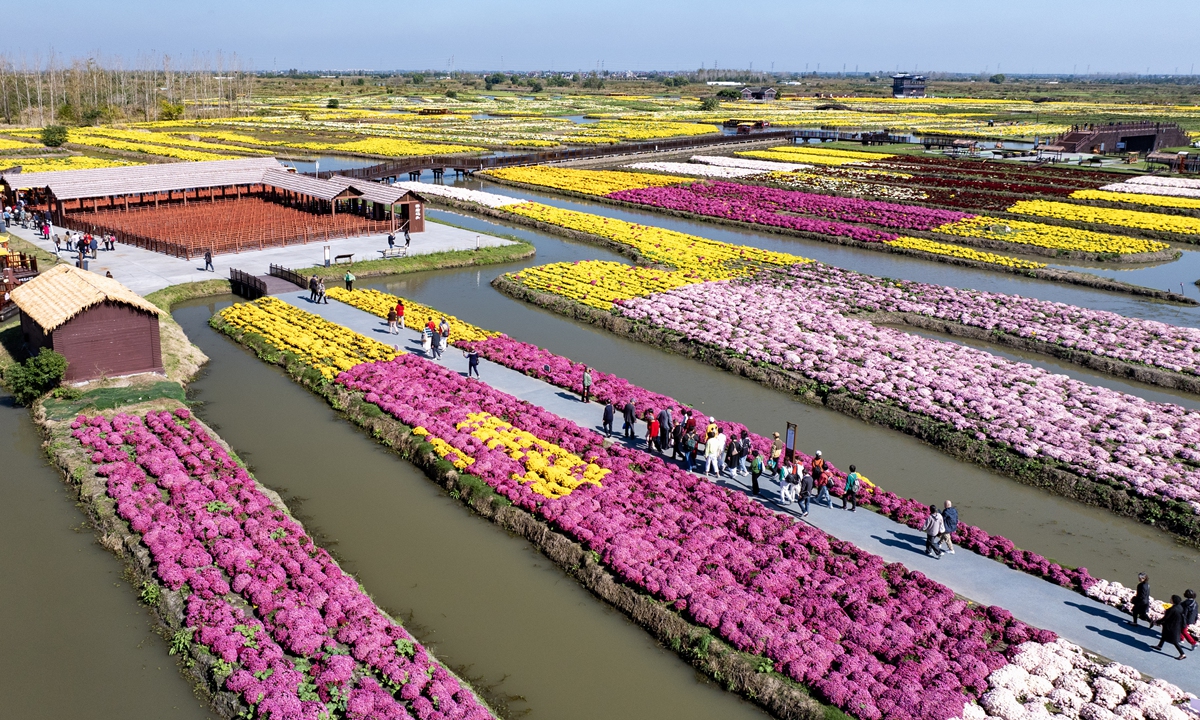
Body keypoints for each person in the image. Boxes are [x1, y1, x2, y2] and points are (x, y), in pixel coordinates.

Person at [1154, 596, 1188, 660]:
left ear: (1173, 601)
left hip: (1171, 626)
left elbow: (1166, 618)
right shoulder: (1180, 607)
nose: (1170, 599)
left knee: (1174, 641)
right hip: (1177, 625)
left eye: (1171, 599)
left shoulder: (1172, 609)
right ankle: (1159, 646)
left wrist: (1158, 621)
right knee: (1164, 635)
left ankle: (1182, 654)